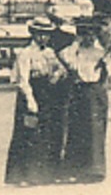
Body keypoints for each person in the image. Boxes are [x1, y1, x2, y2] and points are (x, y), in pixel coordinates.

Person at [5, 16, 69, 186]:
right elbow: (23, 80)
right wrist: (30, 100)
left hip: (47, 95)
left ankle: (44, 174)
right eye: (39, 34)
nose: (43, 38)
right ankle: (24, 174)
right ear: (33, 34)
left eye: (46, 35)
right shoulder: (25, 54)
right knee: (28, 134)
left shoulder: (49, 53)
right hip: (30, 95)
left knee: (46, 135)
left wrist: (56, 75)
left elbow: (61, 69)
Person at [61, 16, 111, 184]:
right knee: (76, 131)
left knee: (95, 133)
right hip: (79, 93)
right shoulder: (74, 52)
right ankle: (73, 169)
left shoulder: (100, 53)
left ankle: (95, 170)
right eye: (83, 34)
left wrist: (106, 65)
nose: (87, 37)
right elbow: (65, 60)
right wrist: (75, 46)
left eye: (90, 34)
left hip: (96, 95)